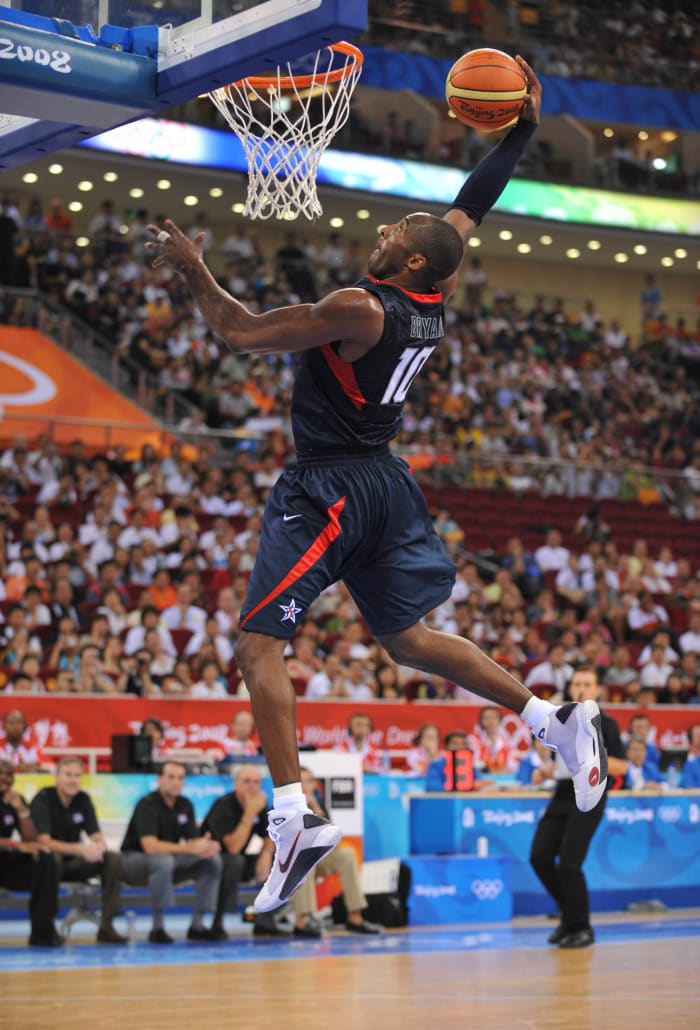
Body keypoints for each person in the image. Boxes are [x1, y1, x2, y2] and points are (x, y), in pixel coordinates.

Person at [149, 57, 608, 917]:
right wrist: (521, 132)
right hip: (387, 483)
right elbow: (471, 207)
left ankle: (293, 817)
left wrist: (192, 268)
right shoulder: (436, 288)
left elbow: (239, 332)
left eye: (398, 229)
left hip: (330, 485)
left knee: (256, 646)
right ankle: (550, 718)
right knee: (408, 641)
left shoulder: (362, 308)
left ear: (409, 259)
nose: (387, 228)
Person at [529, 665, 627, 949]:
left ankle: (581, 926)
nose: (581, 689)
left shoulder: (605, 723)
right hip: (562, 792)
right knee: (539, 857)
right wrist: (545, 772)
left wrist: (595, 760)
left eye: (587, 684)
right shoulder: (561, 719)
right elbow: (563, 763)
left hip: (591, 794)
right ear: (570, 688)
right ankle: (570, 916)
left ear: (598, 690)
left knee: (570, 863)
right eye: (577, 684)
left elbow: (622, 766)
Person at [119, 761, 223, 943]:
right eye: (171, 777)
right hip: (133, 862)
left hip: (168, 862)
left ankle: (197, 925)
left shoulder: (185, 805)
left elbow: (191, 842)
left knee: (212, 861)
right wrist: (188, 848)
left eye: (180, 778)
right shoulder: (147, 804)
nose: (176, 782)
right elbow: (150, 846)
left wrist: (205, 846)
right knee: (163, 860)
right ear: (159, 779)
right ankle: (157, 928)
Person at [30, 757, 127, 944]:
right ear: (57, 776)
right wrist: (81, 849)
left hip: (74, 863)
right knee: (51, 858)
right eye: (68, 775)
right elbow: (44, 842)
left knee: (112, 858)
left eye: (77, 775)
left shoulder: (83, 799)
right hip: (49, 864)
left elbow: (95, 834)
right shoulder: (43, 799)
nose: (73, 780)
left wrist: (98, 847)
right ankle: (46, 928)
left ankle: (107, 925)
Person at [290, 767, 381, 937]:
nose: (305, 786)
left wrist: (315, 807)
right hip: (292, 861)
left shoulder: (319, 803)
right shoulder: (285, 805)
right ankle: (303, 921)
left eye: (308, 781)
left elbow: (330, 836)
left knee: (347, 854)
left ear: (314, 784)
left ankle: (355, 916)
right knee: (304, 860)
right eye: (301, 782)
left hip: (318, 855)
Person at [200, 765, 283, 938]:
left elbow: (272, 835)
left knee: (277, 859)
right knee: (235, 861)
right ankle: (218, 922)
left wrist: (266, 853)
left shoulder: (259, 805)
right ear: (235, 784)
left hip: (236, 861)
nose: (251, 786)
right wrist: (249, 813)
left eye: (256, 782)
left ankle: (265, 921)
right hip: (210, 860)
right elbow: (233, 848)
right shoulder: (224, 805)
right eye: (247, 781)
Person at [0, 759, 62, 947]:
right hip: (8, 849)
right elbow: (20, 844)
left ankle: (42, 931)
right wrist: (15, 844)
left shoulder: (13, 799)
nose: (4, 777)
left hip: (5, 862)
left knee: (45, 859)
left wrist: (21, 810)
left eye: (9, 774)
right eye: (0, 773)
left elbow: (30, 838)